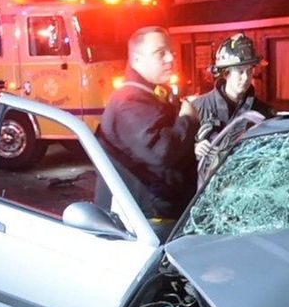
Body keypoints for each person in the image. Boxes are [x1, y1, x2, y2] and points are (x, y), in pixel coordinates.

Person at [99, 27, 200, 220]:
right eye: (160, 53)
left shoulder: (153, 95)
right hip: (147, 221)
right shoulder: (129, 103)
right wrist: (187, 119)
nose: (171, 59)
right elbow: (161, 151)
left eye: (172, 53)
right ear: (137, 59)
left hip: (162, 212)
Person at [192, 33, 274, 173]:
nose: (246, 77)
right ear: (225, 73)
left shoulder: (263, 112)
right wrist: (195, 149)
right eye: (240, 71)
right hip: (207, 189)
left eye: (250, 71)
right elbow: (177, 156)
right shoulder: (199, 107)